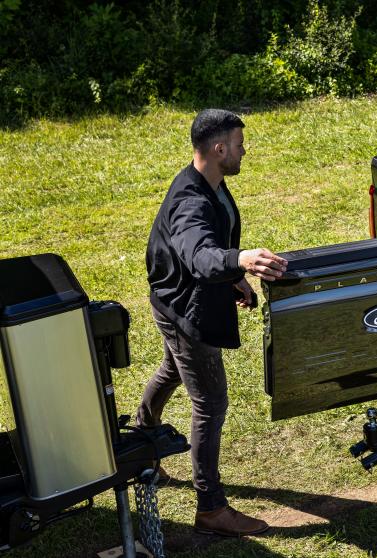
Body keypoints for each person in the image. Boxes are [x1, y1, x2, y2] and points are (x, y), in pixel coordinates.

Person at [138, 109, 287, 537]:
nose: (245, 150)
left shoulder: (210, 183)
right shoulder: (191, 200)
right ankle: (210, 508)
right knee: (210, 403)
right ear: (219, 149)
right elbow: (200, 254)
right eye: (240, 144)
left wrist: (233, 276)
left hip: (175, 299)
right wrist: (238, 260)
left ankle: (141, 440)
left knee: (171, 370)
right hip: (185, 310)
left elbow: (212, 250)